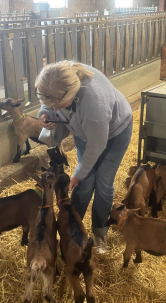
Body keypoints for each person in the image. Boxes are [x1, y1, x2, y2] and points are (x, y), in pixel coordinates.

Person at [35, 61, 133, 252]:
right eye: (50, 103)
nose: (55, 108)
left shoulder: (94, 104)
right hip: (83, 131)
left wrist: (78, 173)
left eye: (57, 104)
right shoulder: (55, 77)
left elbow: (96, 146)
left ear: (72, 94)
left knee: (103, 184)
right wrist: (45, 113)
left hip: (115, 133)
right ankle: (72, 229)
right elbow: (48, 102)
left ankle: (99, 233)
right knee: (85, 184)